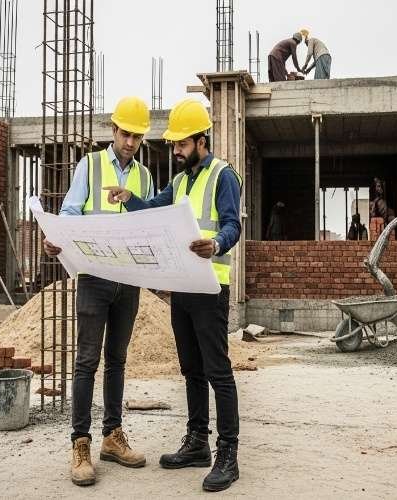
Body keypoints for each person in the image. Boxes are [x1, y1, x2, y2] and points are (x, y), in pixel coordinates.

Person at [105, 98, 242, 492]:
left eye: (181, 144)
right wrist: (129, 199)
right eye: (175, 144)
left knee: (218, 372)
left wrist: (216, 243)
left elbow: (232, 224)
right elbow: (152, 210)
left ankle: (227, 454)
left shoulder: (223, 176)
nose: (176, 150)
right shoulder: (180, 182)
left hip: (210, 287)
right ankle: (197, 442)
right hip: (182, 287)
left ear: (201, 140)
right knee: (191, 371)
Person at [42, 96, 154, 486]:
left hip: (129, 280)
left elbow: (149, 219)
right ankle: (80, 443)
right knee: (87, 360)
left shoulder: (144, 174)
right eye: (126, 134)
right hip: (93, 276)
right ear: (113, 130)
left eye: (137, 136)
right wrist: (57, 238)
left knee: (117, 359)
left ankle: (112, 436)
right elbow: (71, 212)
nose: (131, 142)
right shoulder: (89, 165)